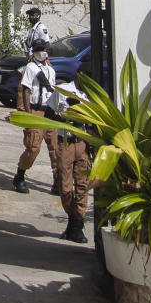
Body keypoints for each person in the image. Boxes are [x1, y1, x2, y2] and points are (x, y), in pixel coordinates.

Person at [46, 77, 91, 243]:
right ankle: (72, 219)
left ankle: (77, 226)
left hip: (82, 143)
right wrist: (67, 118)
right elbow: (49, 113)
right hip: (65, 142)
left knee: (82, 185)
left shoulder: (90, 95)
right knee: (64, 187)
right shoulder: (63, 90)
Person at [12, 39, 59, 194]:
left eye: (43, 49)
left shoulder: (51, 70)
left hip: (49, 111)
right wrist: (28, 114)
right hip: (35, 110)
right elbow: (25, 90)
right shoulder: (30, 68)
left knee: (55, 148)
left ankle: (57, 180)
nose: (41, 52)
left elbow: (52, 90)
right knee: (33, 147)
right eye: (38, 49)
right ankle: (20, 175)